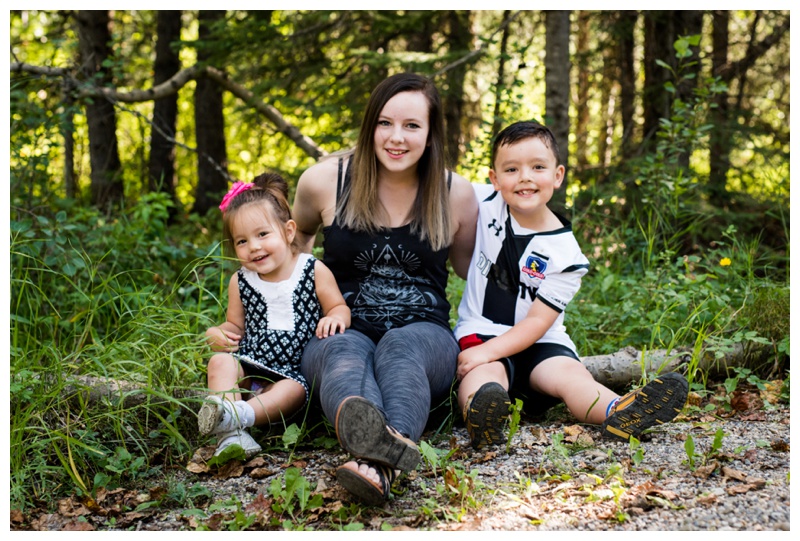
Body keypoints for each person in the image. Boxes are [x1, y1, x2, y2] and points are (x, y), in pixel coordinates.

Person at [292, 73, 478, 504]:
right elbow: (294, 248)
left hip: (425, 337)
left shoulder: (456, 194)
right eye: (385, 123)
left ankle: (377, 455)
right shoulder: (323, 181)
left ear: (431, 134)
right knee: (343, 352)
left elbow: (475, 275)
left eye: (412, 125)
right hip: (340, 327)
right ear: (369, 125)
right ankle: (384, 461)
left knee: (399, 346)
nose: (397, 137)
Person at [454, 120, 688, 449]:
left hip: (539, 344)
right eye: (511, 169)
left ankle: (620, 411)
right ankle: (484, 417)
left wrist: (488, 351)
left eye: (537, 167)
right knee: (483, 376)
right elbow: (445, 182)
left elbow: (538, 321)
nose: (524, 177)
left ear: (558, 175)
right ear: (494, 178)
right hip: (484, 333)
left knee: (571, 375)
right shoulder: (485, 202)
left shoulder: (566, 254)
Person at [198, 173, 351, 458]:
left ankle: (236, 416)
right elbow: (234, 326)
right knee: (220, 362)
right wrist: (216, 334)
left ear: (289, 231)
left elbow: (338, 307)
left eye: (262, 234)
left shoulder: (311, 270)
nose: (253, 246)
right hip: (250, 367)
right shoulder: (241, 281)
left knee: (293, 389)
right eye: (242, 241)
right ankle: (232, 437)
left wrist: (336, 317)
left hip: (291, 375)